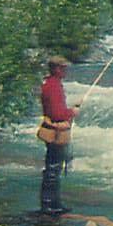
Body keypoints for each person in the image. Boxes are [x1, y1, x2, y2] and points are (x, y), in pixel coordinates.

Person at [39, 55, 80, 215]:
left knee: (52, 167)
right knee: (53, 168)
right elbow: (57, 113)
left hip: (52, 130)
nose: (65, 70)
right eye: (63, 68)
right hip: (56, 132)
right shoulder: (54, 86)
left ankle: (52, 203)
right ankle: (50, 205)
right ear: (56, 68)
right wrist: (72, 112)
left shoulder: (49, 83)